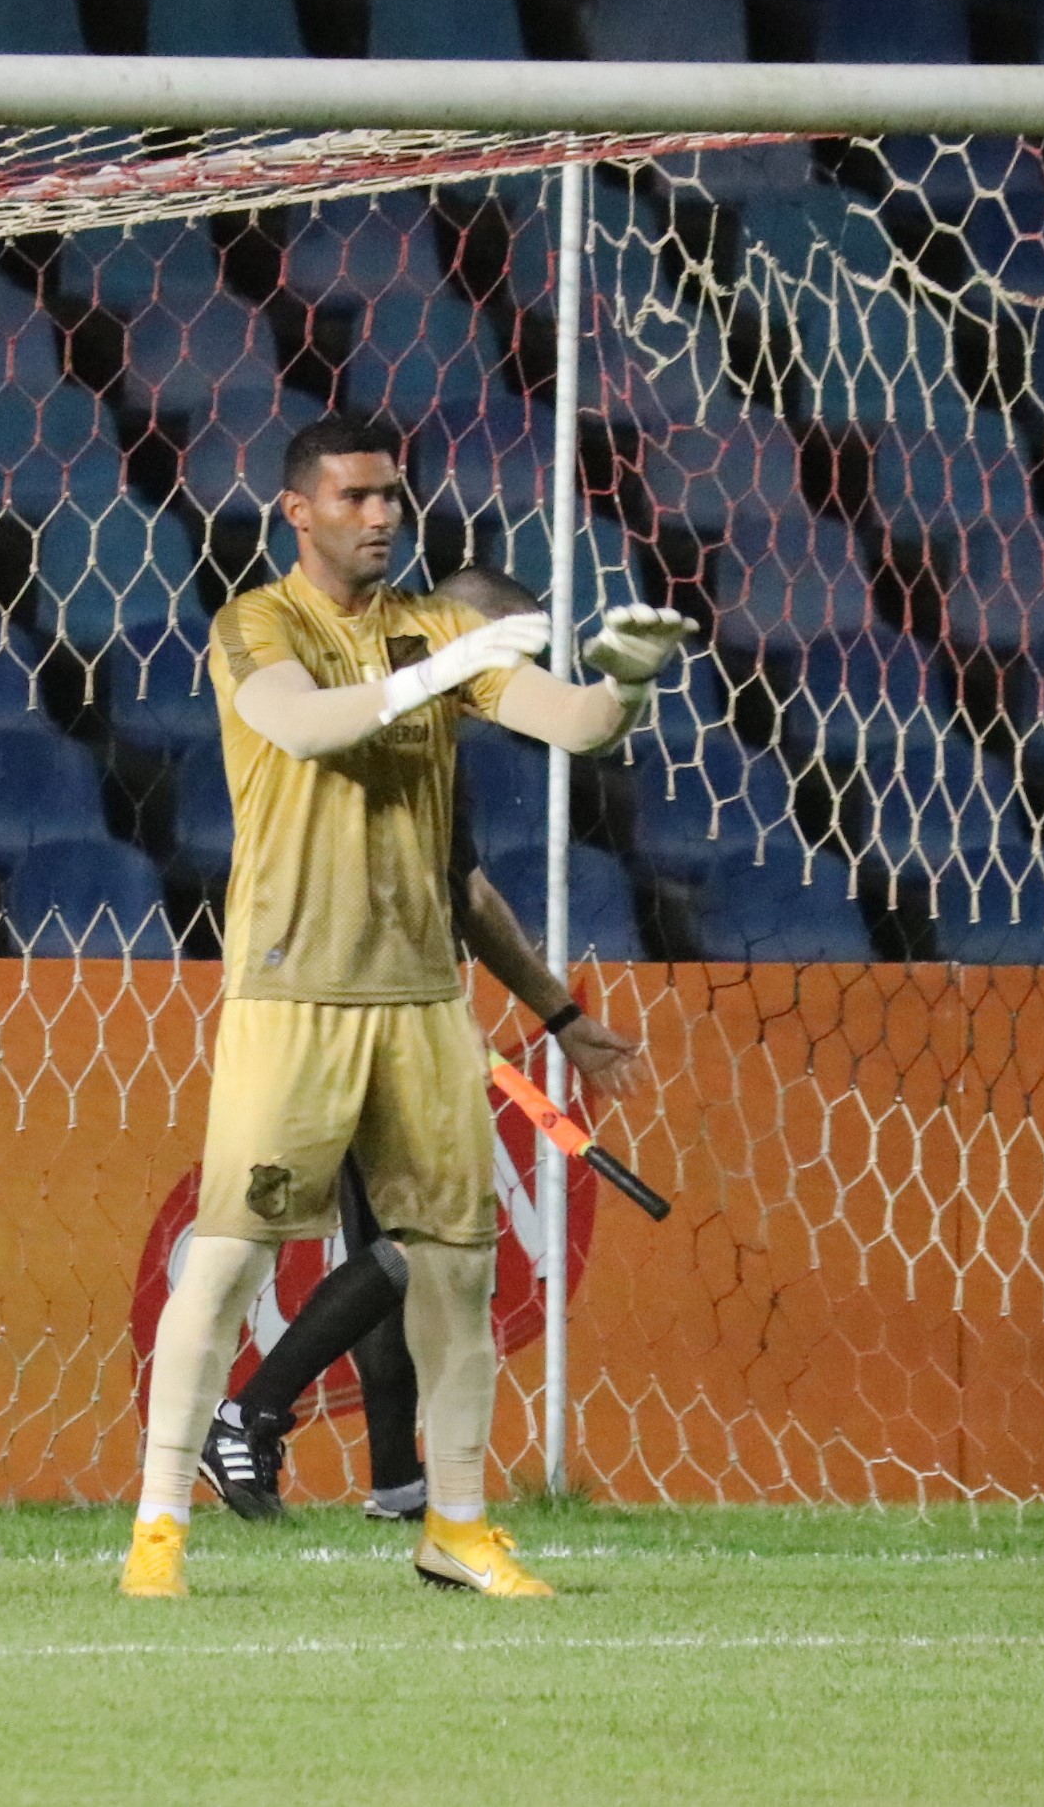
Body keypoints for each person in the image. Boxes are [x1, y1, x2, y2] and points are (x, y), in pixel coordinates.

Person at [120, 416, 694, 1599]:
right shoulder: (257, 625)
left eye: (393, 496)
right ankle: (159, 1527)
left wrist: (625, 680)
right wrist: (437, 669)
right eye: (356, 497)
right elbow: (308, 725)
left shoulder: (437, 629)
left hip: (425, 1005)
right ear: (299, 510)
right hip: (294, 993)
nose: (382, 515)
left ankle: (458, 1526)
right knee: (228, 1257)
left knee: (457, 1269)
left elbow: (573, 723)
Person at [197, 564, 648, 1529]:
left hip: (406, 1011)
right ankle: (248, 1412)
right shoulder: (371, 717)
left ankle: (395, 1483)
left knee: (388, 1252)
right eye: (511, 650)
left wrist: (555, 1018)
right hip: (331, 1011)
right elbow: (467, 897)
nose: (511, 684)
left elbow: (460, 893)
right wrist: (543, 1011)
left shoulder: (434, 742)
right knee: (406, 1247)